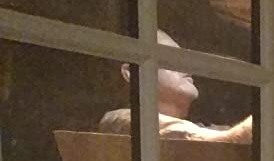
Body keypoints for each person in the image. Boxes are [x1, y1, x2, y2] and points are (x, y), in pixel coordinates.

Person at [96, 30, 253, 144]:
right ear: (131, 72)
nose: (188, 67)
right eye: (171, 57)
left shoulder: (199, 126)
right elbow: (224, 140)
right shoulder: (120, 122)